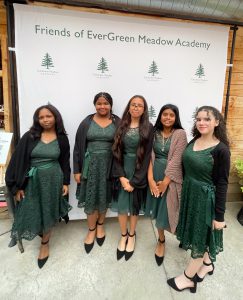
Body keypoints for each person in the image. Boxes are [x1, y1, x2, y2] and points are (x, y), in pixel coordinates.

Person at [167, 106, 230, 293]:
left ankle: (187, 279)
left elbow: (223, 184)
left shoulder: (221, 150)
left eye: (207, 119)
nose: (202, 122)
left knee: (200, 239)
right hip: (191, 194)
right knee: (201, 234)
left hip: (205, 200)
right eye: (199, 119)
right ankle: (208, 264)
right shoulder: (195, 140)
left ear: (217, 122)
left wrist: (219, 217)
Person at [5, 104, 71, 268]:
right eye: (41, 117)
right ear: (37, 120)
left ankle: (45, 243)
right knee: (33, 209)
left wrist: (65, 182)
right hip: (31, 181)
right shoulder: (29, 136)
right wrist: (16, 187)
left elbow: (64, 162)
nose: (45, 120)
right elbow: (17, 161)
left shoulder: (62, 137)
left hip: (54, 179)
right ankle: (40, 232)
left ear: (55, 117)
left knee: (48, 210)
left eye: (48, 116)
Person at [73, 92, 120, 253]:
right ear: (95, 104)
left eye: (106, 103)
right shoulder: (86, 122)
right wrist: (77, 169)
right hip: (90, 165)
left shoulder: (117, 122)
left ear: (111, 105)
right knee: (91, 196)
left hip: (109, 166)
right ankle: (91, 229)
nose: (102, 106)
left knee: (104, 195)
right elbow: (78, 147)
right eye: (99, 103)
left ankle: (100, 225)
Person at [112, 95, 153, 261]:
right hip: (122, 170)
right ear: (129, 107)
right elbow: (115, 152)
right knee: (122, 206)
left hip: (138, 171)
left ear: (144, 109)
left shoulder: (149, 128)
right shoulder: (120, 125)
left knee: (134, 206)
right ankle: (123, 235)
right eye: (133, 105)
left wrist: (135, 181)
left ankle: (132, 234)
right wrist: (121, 177)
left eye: (140, 105)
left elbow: (148, 156)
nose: (136, 108)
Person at [146, 104, 187, 266]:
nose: (168, 117)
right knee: (159, 212)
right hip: (155, 176)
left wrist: (165, 182)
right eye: (165, 114)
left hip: (171, 179)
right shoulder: (154, 133)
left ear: (176, 117)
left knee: (171, 210)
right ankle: (161, 241)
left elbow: (177, 160)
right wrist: (150, 180)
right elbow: (148, 157)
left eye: (171, 115)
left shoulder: (180, 134)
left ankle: (183, 236)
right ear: (160, 116)